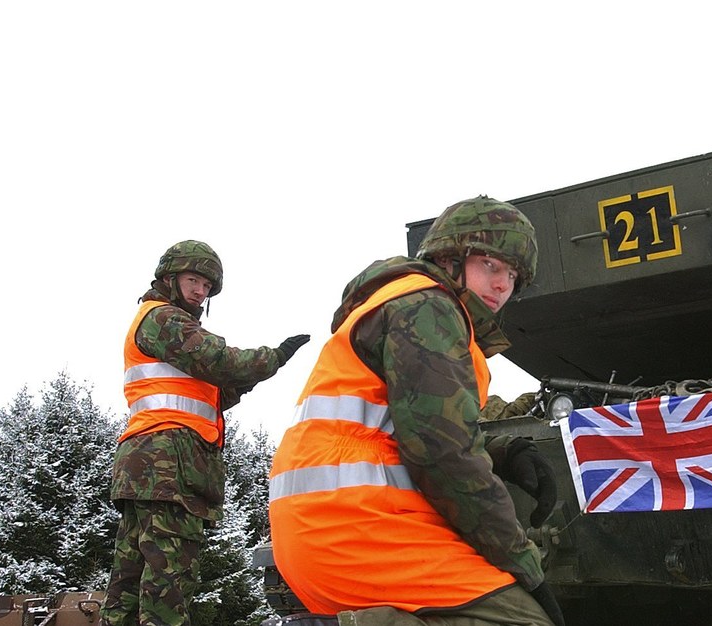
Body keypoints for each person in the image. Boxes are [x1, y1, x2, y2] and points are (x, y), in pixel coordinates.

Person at [269, 196, 564, 626]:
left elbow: (401, 430)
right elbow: (441, 455)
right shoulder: (429, 306)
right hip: (353, 525)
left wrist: (501, 453)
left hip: (325, 524)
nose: (503, 285)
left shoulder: (405, 303)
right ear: (449, 260)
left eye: (513, 275)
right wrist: (527, 567)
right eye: (491, 265)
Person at [102, 240, 311, 626]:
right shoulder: (162, 318)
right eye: (194, 280)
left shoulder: (164, 330)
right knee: (169, 579)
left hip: (146, 467)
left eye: (207, 287)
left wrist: (248, 378)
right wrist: (272, 358)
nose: (201, 291)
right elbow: (218, 359)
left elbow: (213, 392)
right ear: (170, 277)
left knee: (128, 583)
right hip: (167, 466)